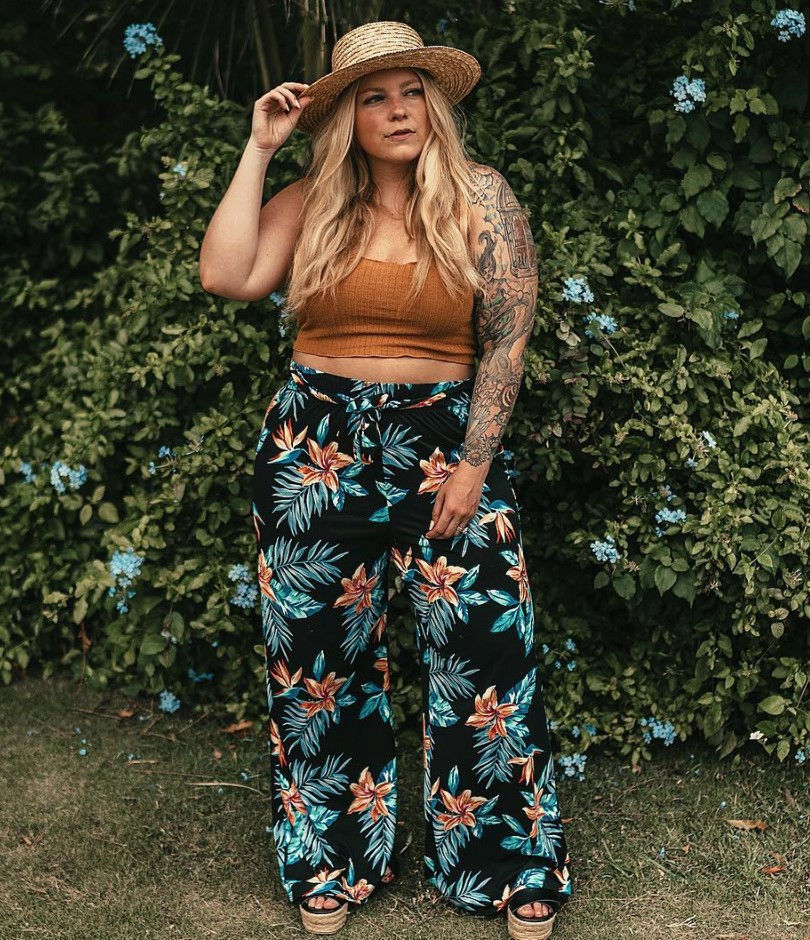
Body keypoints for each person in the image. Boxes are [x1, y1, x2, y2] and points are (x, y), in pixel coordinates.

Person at [199, 20, 571, 939]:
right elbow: (226, 274)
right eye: (374, 96)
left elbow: (510, 336)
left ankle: (508, 860)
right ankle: (331, 859)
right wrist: (257, 149)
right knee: (317, 661)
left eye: (411, 91)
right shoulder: (314, 198)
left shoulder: (481, 196)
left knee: (488, 652)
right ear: (348, 118)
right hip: (313, 445)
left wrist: (475, 464)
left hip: (445, 440)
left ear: (434, 104)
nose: (397, 109)